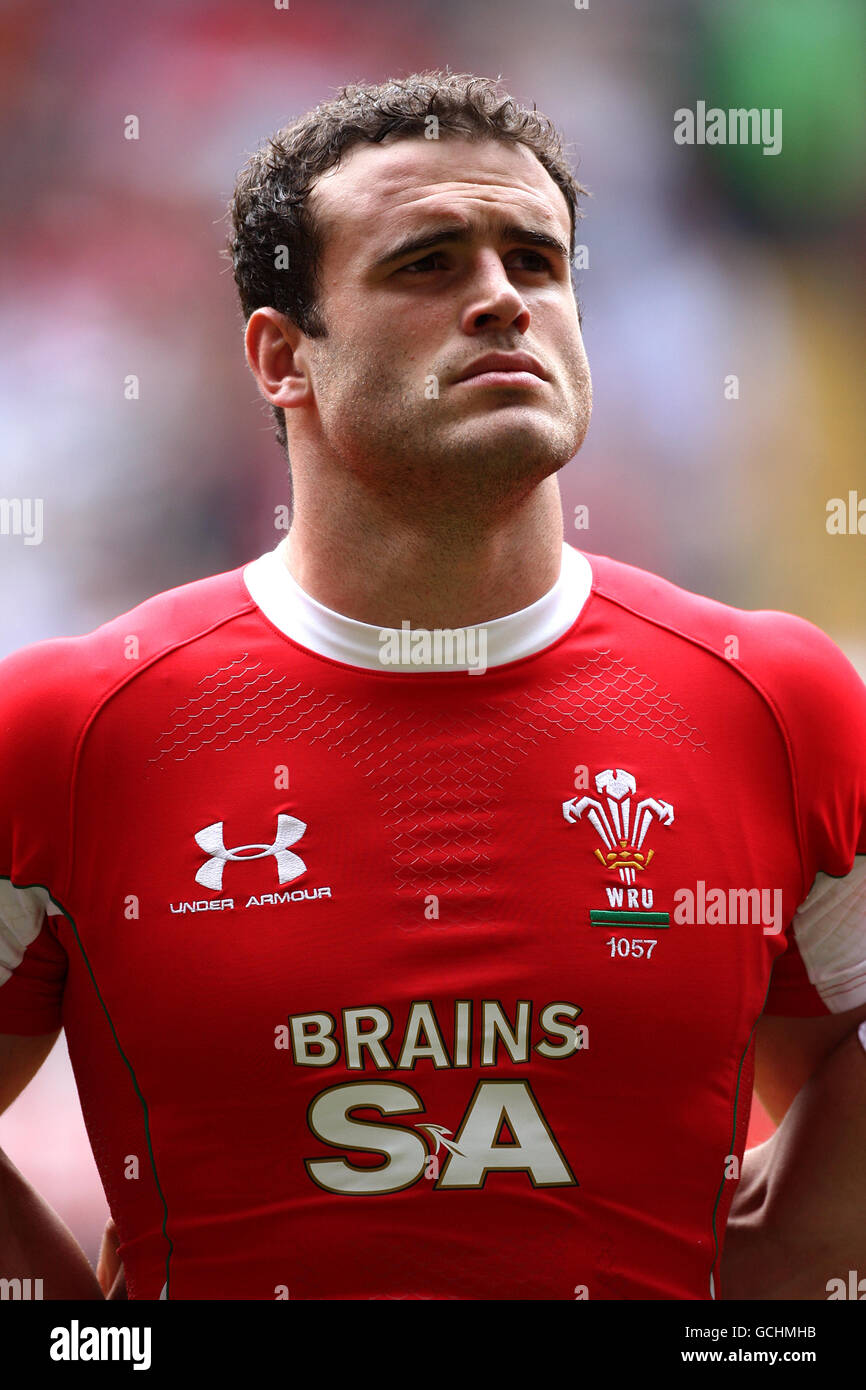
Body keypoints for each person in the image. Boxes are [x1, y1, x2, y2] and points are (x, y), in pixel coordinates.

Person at [1, 70, 864, 1302]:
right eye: (427, 264)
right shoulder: (72, 730)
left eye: (536, 260)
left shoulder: (771, 699)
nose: (502, 300)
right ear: (281, 356)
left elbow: (838, 1049)